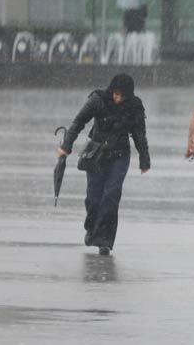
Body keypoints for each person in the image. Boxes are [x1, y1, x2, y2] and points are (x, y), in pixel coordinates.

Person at [57, 74, 150, 256]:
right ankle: (92, 229)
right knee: (93, 198)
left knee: (111, 196)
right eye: (115, 94)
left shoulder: (134, 106)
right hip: (96, 155)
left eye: (121, 95)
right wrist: (66, 147)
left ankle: (105, 241)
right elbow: (78, 122)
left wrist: (144, 159)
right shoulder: (98, 100)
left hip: (120, 156)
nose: (117, 98)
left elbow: (139, 134)